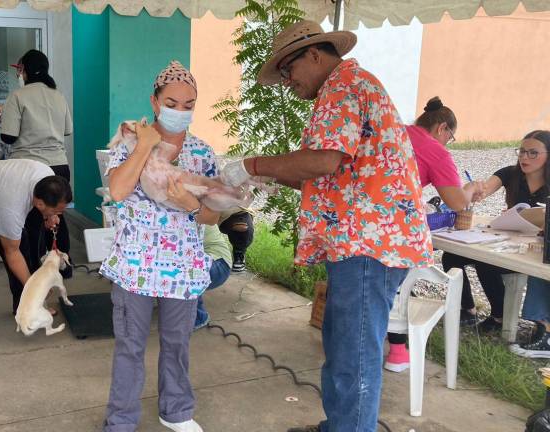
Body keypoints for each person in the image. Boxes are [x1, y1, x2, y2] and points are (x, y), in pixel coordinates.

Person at [221, 21, 433, 432]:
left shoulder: (343, 85)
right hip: (366, 240)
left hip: (369, 243)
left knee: (354, 352)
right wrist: (263, 176)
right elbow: (320, 173)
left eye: (288, 71)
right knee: (342, 342)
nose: (287, 83)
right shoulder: (349, 85)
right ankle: (340, 424)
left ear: (315, 54)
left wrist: (251, 164)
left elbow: (322, 161)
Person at [101, 60, 220, 432]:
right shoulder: (128, 140)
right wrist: (146, 145)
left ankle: (177, 410)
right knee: (130, 346)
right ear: (155, 102)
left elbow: (213, 216)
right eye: (172, 102)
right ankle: (120, 421)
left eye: (189, 105)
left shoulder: (202, 152)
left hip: (182, 266)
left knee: (177, 343)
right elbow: (118, 191)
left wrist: (192, 206)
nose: (180, 111)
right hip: (133, 265)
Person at [384, 96, 484, 372]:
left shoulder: (397, 131)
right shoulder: (435, 150)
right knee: (396, 286)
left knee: (373, 287)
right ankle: (398, 352)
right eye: (450, 137)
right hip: (394, 229)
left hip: (360, 219)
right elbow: (457, 202)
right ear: (443, 128)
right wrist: (471, 187)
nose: (447, 143)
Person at [444, 130, 550, 337]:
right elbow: (485, 188)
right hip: (508, 239)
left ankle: (500, 316)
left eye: (532, 153)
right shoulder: (510, 173)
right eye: (521, 152)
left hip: (536, 249)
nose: (524, 157)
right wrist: (474, 190)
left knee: (487, 261)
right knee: (451, 256)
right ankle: (467, 309)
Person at [0, 159, 72, 339]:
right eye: (56, 211)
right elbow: (11, 253)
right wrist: (36, 287)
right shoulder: (13, 207)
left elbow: (46, 208)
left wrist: (51, 215)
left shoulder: (48, 179)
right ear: (40, 204)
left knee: (24, 250)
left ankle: (25, 308)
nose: (58, 216)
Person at [1, 49, 73, 273]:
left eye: (20, 70)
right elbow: (67, 130)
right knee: (57, 217)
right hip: (59, 166)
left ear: (25, 71)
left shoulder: (18, 96)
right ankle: (64, 267)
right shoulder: (57, 95)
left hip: (30, 168)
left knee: (33, 224)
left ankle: (35, 271)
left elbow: (8, 136)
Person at [194, 224, 233, 330]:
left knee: (185, 274)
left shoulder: (190, 208)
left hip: (218, 263)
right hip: (200, 260)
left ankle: (198, 317)